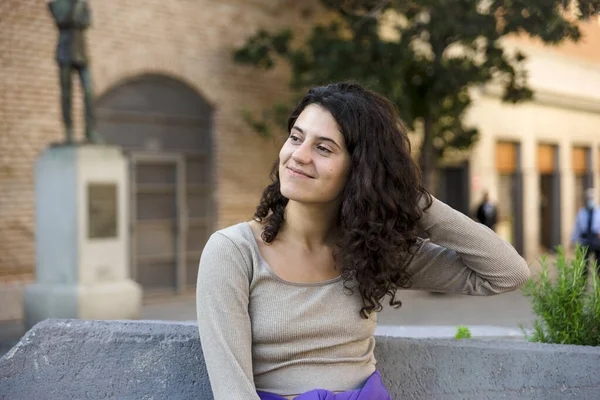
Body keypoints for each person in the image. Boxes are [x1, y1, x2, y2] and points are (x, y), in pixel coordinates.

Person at [196, 82, 530, 399]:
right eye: (296, 138)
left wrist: (412, 200)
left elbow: (507, 273)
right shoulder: (234, 252)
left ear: (360, 171)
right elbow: (233, 393)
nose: (299, 155)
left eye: (323, 148)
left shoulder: (373, 251)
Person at [48, 0, 101, 144]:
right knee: (67, 93)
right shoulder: (58, 4)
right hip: (64, 51)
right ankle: (69, 132)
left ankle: (89, 131)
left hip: (81, 52)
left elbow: (86, 21)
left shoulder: (82, 3)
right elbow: (63, 20)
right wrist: (76, 7)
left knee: (89, 91)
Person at [571, 188, 600, 277]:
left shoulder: (598, 212)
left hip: (597, 241)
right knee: (583, 266)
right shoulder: (581, 212)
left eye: (592, 198)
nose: (590, 200)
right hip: (584, 241)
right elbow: (577, 228)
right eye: (588, 198)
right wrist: (573, 240)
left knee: (598, 266)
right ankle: (583, 286)